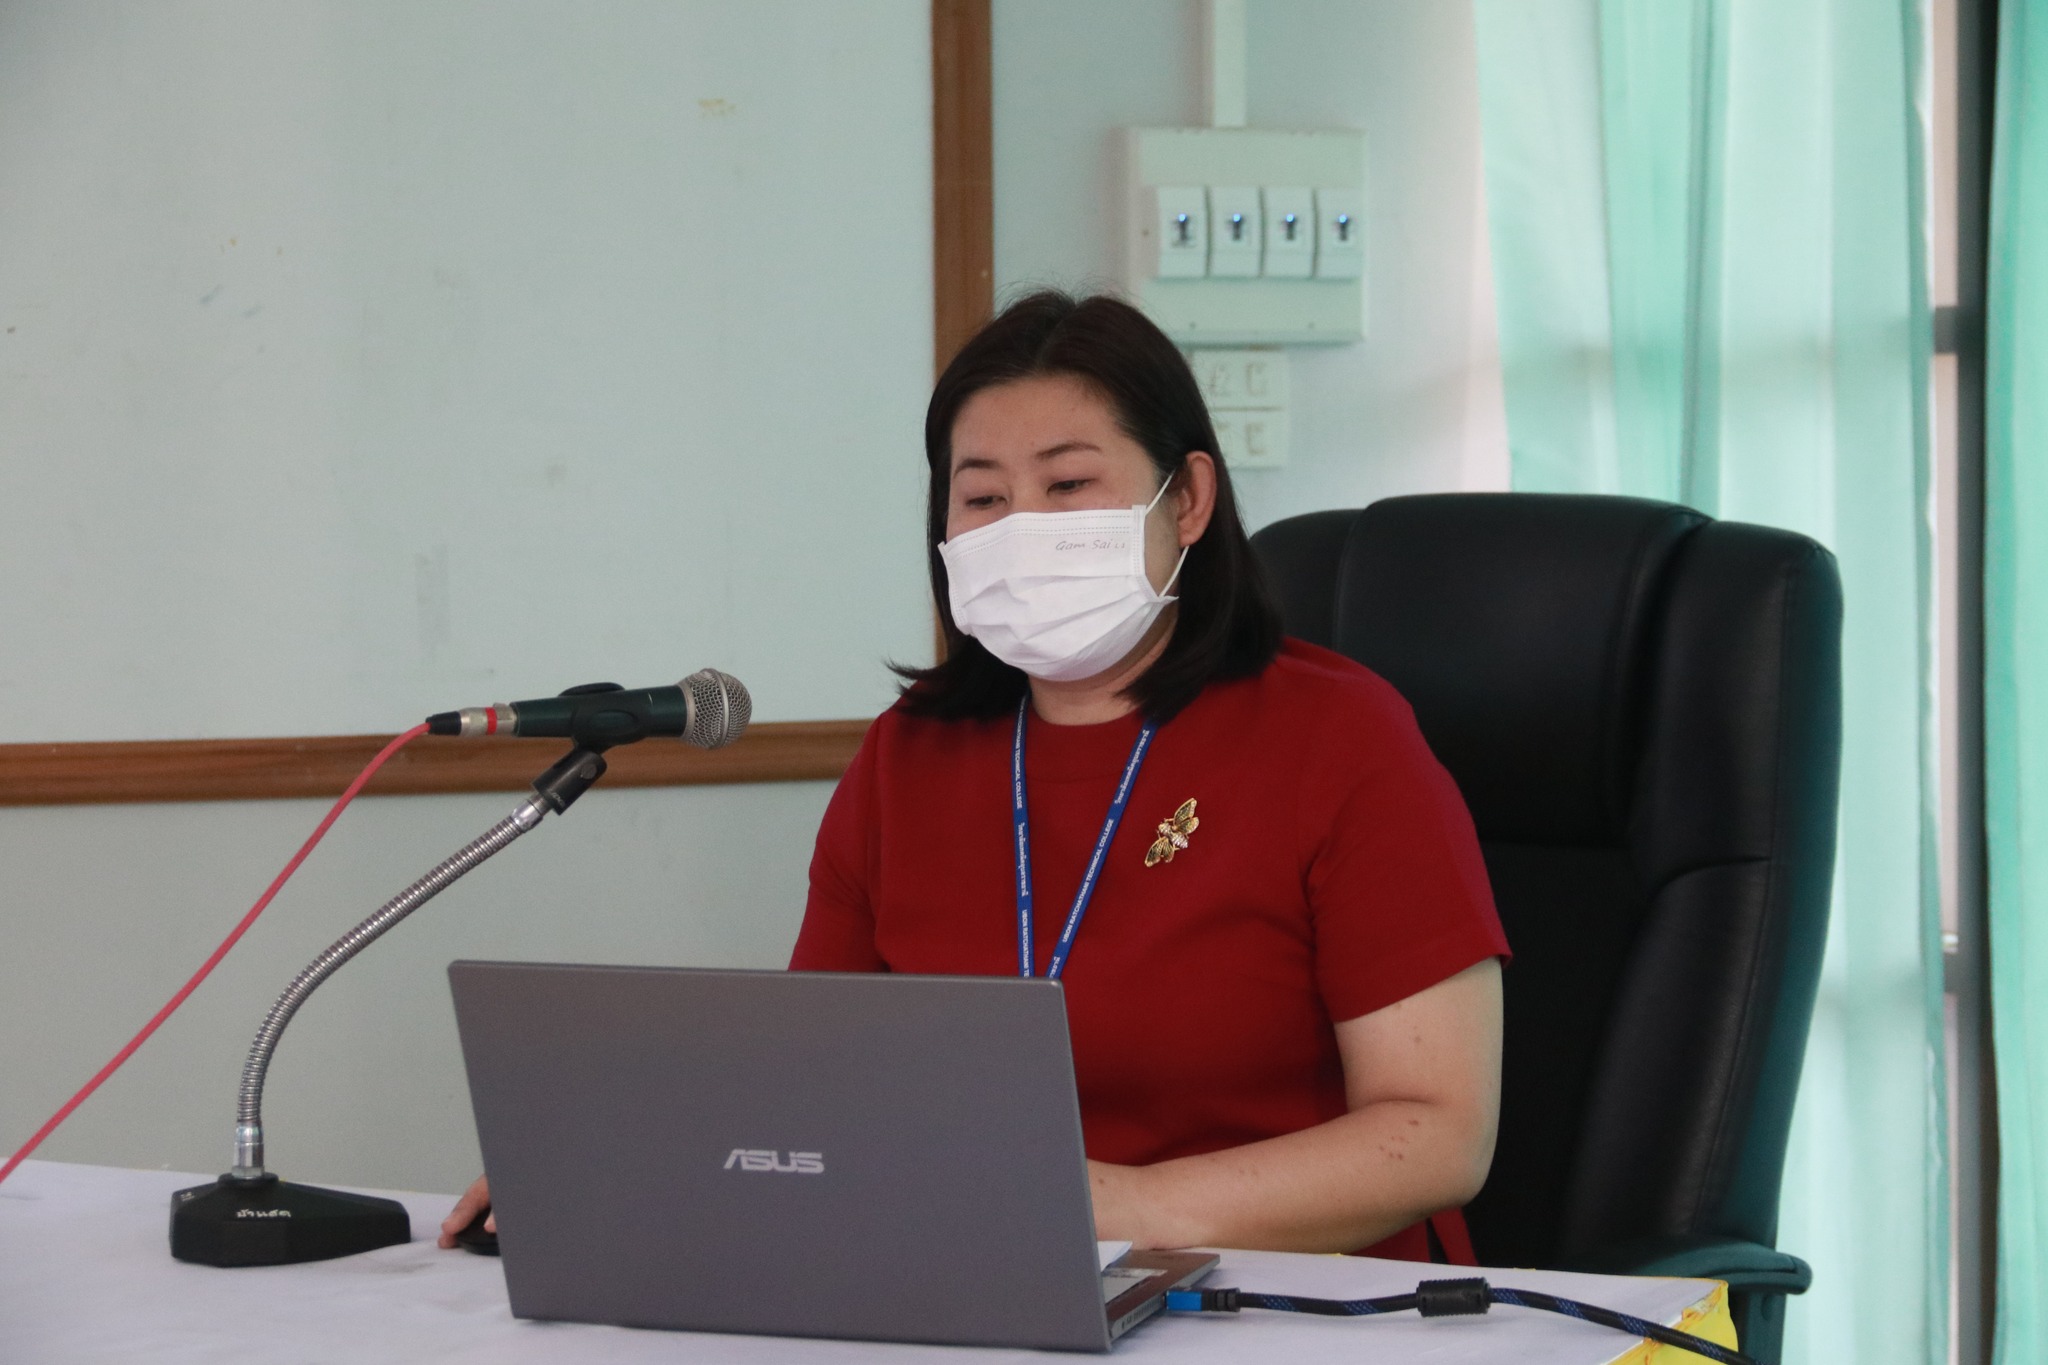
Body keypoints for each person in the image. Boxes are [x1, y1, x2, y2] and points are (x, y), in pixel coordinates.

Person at [442, 290, 1507, 1262]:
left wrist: (1115, 1207)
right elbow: (813, 1081)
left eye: (1069, 483)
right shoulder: (909, 756)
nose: (1022, 527)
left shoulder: (1336, 738)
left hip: (1299, 1308)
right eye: (983, 495)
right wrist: (624, 1166)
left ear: (1185, 499)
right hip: (987, 1283)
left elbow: (1435, 1135)